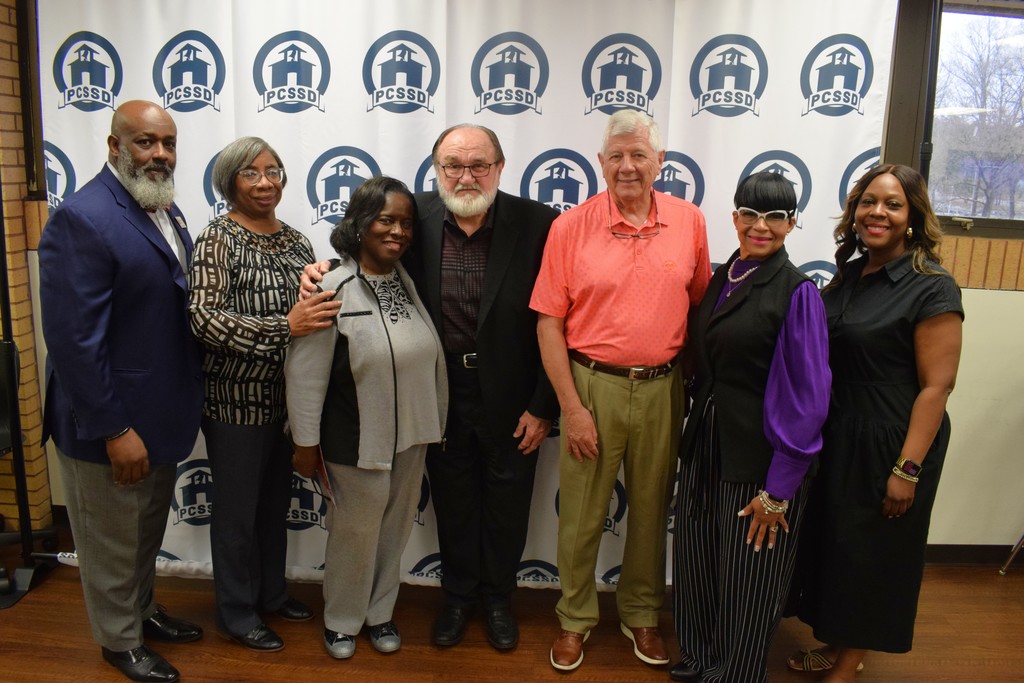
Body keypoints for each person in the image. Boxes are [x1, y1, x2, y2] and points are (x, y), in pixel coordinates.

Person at [303, 123, 559, 651]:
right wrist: (323, 269)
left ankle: (497, 601)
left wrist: (543, 405)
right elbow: (366, 250)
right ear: (437, 169)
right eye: (453, 166)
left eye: (478, 165)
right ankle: (459, 599)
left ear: (499, 167)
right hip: (437, 396)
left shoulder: (539, 223)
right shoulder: (414, 215)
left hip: (514, 398)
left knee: (509, 507)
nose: (465, 176)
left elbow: (559, 318)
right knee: (455, 501)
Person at [530, 109, 712, 672]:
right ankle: (575, 618)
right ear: (601, 163)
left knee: (654, 510)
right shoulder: (571, 227)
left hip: (663, 388)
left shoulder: (690, 221)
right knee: (582, 514)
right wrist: (570, 408)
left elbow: (701, 303)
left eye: (639, 155)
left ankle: (642, 615)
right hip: (591, 386)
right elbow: (548, 323)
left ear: (660, 162)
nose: (628, 166)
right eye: (616, 156)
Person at [39, 100, 204, 683]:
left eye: (167, 142)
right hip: (109, 424)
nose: (159, 154)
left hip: (159, 412)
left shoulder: (162, 206)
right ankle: (119, 642)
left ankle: (141, 611)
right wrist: (114, 429)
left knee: (143, 533)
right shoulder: (82, 217)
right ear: (114, 146)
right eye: (144, 142)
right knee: (111, 543)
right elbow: (73, 341)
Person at [787, 164, 963, 682]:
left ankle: (848, 663)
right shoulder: (848, 275)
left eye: (891, 203)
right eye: (868, 201)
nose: (877, 212)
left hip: (892, 435)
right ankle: (842, 642)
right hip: (842, 431)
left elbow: (938, 386)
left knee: (873, 553)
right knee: (841, 546)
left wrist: (907, 468)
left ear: (912, 216)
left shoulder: (931, 286)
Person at [669, 172, 831, 683]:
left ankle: (735, 672)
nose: (760, 226)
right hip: (708, 439)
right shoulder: (726, 273)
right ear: (735, 217)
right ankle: (700, 659)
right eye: (750, 214)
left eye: (775, 216)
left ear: (792, 223)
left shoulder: (798, 292)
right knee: (698, 560)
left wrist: (779, 489)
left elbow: (808, 398)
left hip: (762, 455)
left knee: (749, 575)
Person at [187, 136, 340, 652]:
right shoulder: (217, 238)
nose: (265, 181)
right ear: (229, 182)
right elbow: (204, 320)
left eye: (273, 170)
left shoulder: (297, 240)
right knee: (236, 515)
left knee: (275, 505)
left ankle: (271, 594)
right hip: (235, 403)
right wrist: (284, 328)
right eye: (251, 173)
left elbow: (315, 310)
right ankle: (235, 611)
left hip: (291, 403)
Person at [285, 176, 447, 660]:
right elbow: (306, 374)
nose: (398, 231)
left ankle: (379, 613)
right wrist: (305, 443)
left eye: (405, 222)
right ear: (360, 224)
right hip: (355, 440)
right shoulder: (331, 286)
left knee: (394, 530)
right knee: (356, 534)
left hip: (412, 435)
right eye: (385, 220)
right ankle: (341, 619)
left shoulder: (406, 279)